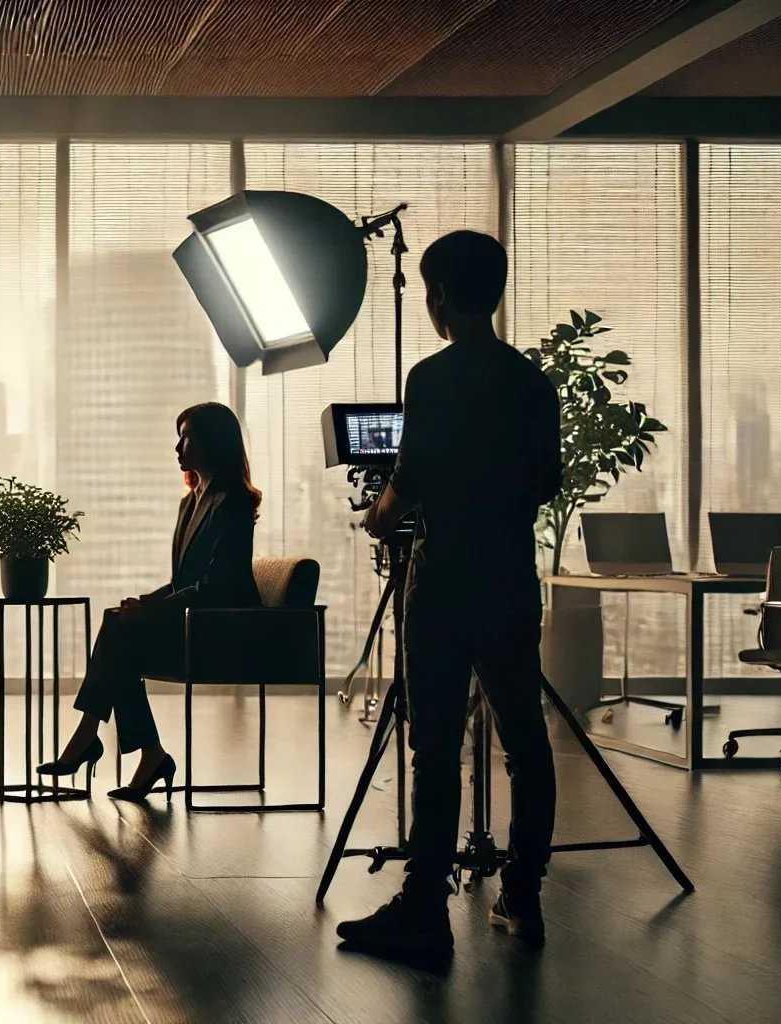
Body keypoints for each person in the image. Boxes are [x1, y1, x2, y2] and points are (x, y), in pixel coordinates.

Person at [336, 230, 561, 959]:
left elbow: (413, 477)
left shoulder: (432, 377)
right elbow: (546, 482)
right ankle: (522, 898)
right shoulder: (532, 383)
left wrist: (378, 516)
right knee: (525, 741)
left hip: (443, 583)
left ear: (435, 295)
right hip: (510, 579)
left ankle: (424, 909)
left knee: (434, 746)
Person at [37, 402, 260, 801]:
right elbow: (183, 582)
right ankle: (141, 752)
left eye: (186, 437)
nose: (177, 447)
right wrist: (145, 603)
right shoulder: (191, 501)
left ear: (212, 441)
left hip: (222, 631)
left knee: (120, 636)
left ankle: (96, 739)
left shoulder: (233, 503)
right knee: (119, 626)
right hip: (194, 622)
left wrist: (151, 610)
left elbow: (217, 586)